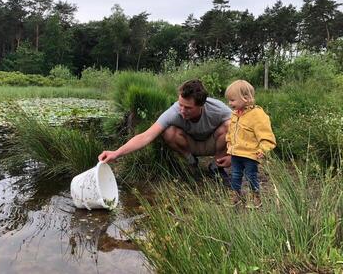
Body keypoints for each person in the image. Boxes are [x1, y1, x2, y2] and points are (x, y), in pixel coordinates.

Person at [98, 79, 232, 178]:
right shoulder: (174, 111)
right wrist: (116, 153)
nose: (182, 110)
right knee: (168, 132)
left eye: (188, 108)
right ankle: (191, 162)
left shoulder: (218, 109)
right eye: (181, 105)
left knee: (229, 126)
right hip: (189, 144)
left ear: (201, 105)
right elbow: (146, 136)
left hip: (213, 143)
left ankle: (217, 166)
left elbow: (245, 131)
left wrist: (232, 157)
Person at [225, 80, 276, 208]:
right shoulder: (235, 114)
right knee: (235, 175)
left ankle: (256, 198)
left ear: (246, 98)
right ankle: (236, 195)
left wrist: (263, 149)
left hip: (250, 154)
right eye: (229, 100)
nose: (229, 103)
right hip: (236, 152)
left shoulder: (257, 115)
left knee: (251, 176)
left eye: (232, 100)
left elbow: (266, 135)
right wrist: (229, 143)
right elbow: (231, 131)